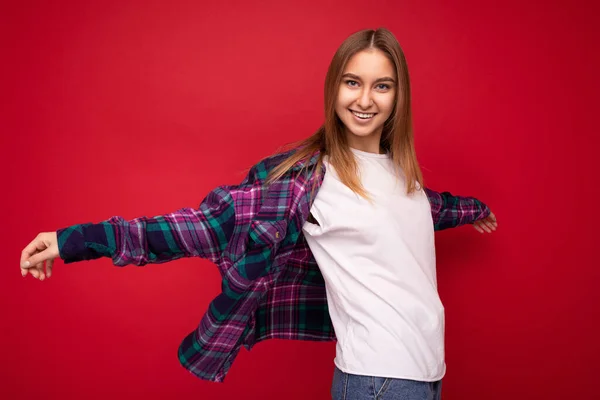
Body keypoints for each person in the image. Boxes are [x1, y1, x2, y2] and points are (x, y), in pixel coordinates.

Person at [19, 27, 497, 400]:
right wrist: (73, 241)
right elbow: (199, 227)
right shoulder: (310, 182)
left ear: (399, 97)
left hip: (429, 372)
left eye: (382, 86)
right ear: (334, 88)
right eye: (353, 82)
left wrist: (474, 210)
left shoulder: (401, 176)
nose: (366, 99)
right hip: (379, 381)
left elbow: (430, 208)